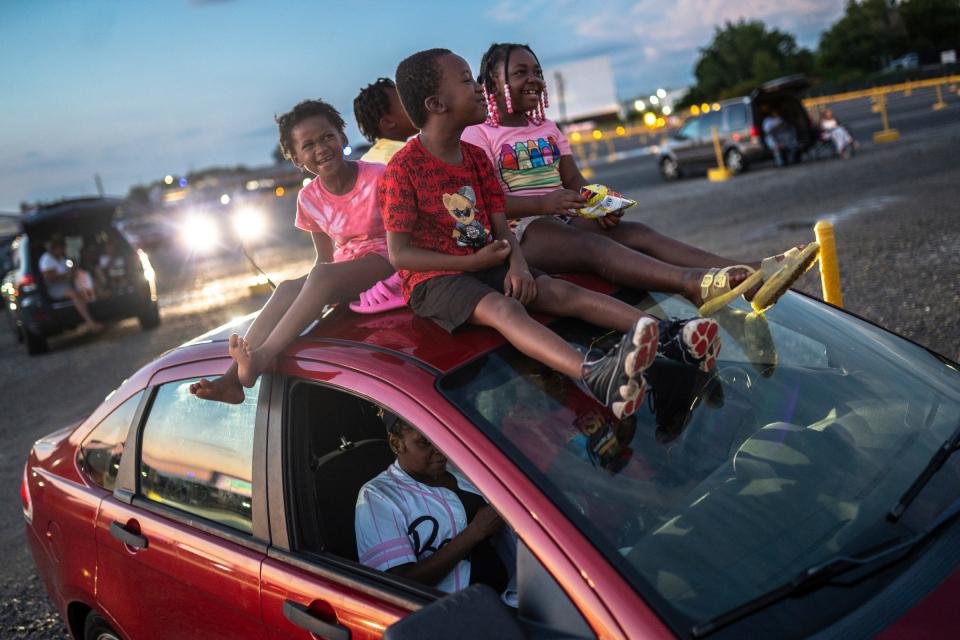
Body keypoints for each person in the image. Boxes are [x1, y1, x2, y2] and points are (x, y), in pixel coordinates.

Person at [382, 48, 723, 418]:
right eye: (466, 80)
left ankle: (670, 337)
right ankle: (593, 373)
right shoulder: (402, 169)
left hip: (487, 261)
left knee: (562, 291)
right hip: (435, 278)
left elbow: (500, 225)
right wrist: (474, 260)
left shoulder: (475, 158)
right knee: (504, 307)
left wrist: (518, 267)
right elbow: (399, 255)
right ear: (436, 103)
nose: (480, 88)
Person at [463, 43, 820, 317]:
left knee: (638, 233)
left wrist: (598, 205)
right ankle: (691, 285)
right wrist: (543, 204)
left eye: (537, 71)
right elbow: (484, 201)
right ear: (492, 85)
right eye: (521, 72)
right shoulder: (478, 135)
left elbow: (573, 180)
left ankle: (749, 276)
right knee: (596, 248)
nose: (534, 79)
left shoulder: (548, 128)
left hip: (560, 220)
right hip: (519, 233)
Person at [190, 99, 394, 403]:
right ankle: (231, 379)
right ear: (297, 158)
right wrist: (309, 296)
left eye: (327, 137)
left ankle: (260, 357)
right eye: (308, 145)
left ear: (343, 137)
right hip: (344, 271)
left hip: (388, 259)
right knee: (287, 287)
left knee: (321, 276)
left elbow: (397, 240)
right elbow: (325, 259)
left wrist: (322, 283)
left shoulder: (379, 177)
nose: (321, 148)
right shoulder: (309, 198)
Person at [355, 415, 516, 603]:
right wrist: (475, 531)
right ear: (396, 444)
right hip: (454, 612)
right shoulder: (378, 495)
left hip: (514, 594)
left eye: (440, 437)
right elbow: (397, 583)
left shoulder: (464, 470)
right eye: (424, 443)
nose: (439, 450)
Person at [38, 234, 103, 332]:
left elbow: (70, 271)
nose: (64, 250)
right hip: (56, 289)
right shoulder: (46, 260)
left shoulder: (62, 258)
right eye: (62, 248)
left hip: (68, 284)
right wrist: (66, 275)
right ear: (56, 248)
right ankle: (90, 322)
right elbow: (50, 278)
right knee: (74, 294)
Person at [354, 77, 418, 164]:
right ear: (388, 123)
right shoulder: (407, 157)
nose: (415, 104)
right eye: (405, 102)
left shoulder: (368, 158)